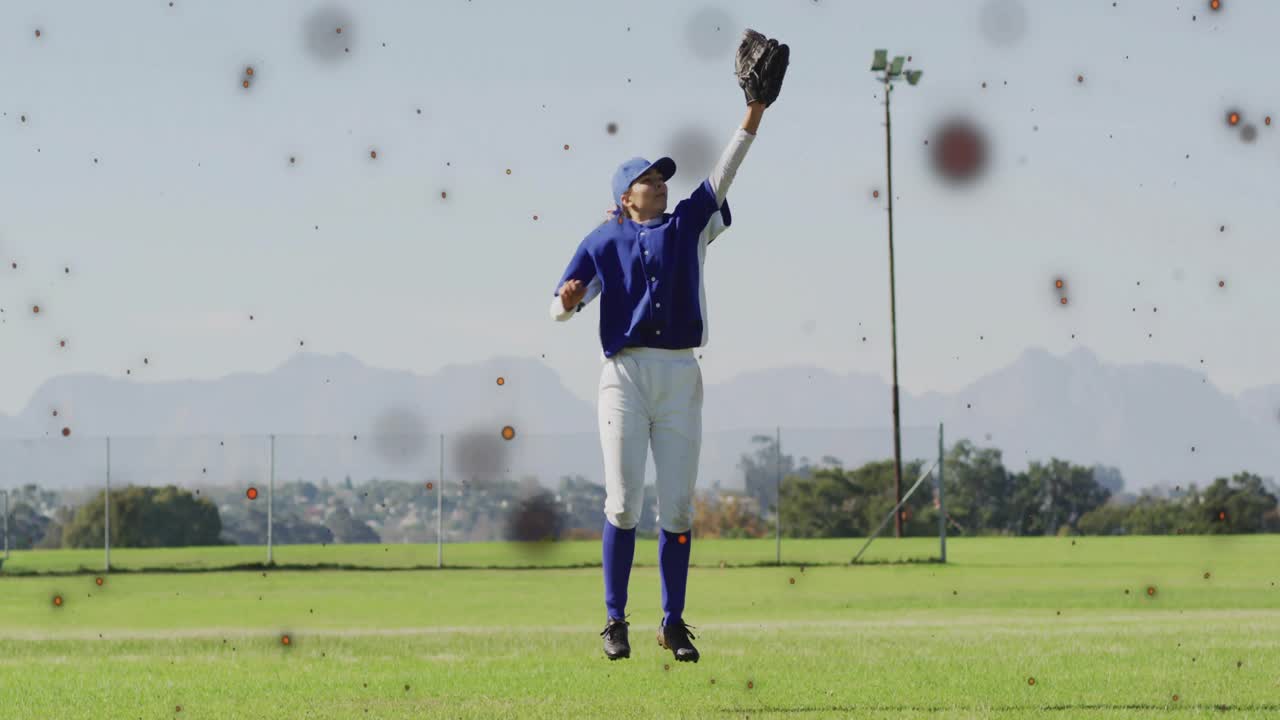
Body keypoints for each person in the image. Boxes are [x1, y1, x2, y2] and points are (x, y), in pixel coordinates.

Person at [550, 97, 768, 663]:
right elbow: (559, 307)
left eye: (663, 178)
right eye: (649, 180)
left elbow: (727, 169)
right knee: (622, 503)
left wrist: (754, 113)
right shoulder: (602, 239)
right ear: (626, 196)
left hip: (679, 375)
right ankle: (615, 620)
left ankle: (673, 624)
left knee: (676, 509)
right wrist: (568, 301)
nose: (661, 185)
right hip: (623, 376)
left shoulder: (689, 224)